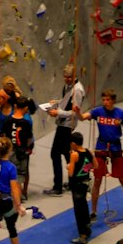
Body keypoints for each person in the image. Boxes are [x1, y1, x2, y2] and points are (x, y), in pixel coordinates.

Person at [76, 88, 123, 219]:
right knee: (97, 178)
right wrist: (78, 113)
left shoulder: (120, 114)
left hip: (115, 147)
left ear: (113, 100)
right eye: (103, 100)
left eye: (108, 100)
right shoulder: (98, 111)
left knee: (122, 178)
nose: (105, 102)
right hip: (101, 146)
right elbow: (82, 118)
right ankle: (93, 211)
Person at [43, 62, 85, 194]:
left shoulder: (77, 90)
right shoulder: (68, 86)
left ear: (75, 75)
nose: (67, 79)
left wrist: (58, 113)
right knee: (67, 154)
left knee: (55, 153)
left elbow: (75, 113)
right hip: (63, 123)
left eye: (69, 77)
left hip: (67, 125)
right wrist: (56, 103)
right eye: (65, 77)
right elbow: (67, 102)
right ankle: (74, 181)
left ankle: (58, 187)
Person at [67, 132, 95, 244]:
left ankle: (82, 235)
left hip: (77, 185)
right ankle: (87, 226)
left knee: (79, 210)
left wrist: (69, 165)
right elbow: (95, 165)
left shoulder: (74, 155)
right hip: (85, 183)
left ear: (73, 144)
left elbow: (70, 173)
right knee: (84, 206)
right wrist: (85, 169)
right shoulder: (88, 152)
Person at [10, 96, 35, 195]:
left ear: (15, 106)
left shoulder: (11, 121)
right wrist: (28, 148)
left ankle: (21, 192)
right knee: (21, 174)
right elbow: (29, 138)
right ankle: (20, 194)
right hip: (22, 151)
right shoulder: (26, 122)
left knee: (16, 174)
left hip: (13, 151)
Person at [0, 77, 20, 146]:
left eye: (0, 98)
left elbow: (18, 96)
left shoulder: (14, 108)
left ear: (6, 99)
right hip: (1, 134)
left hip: (11, 135)